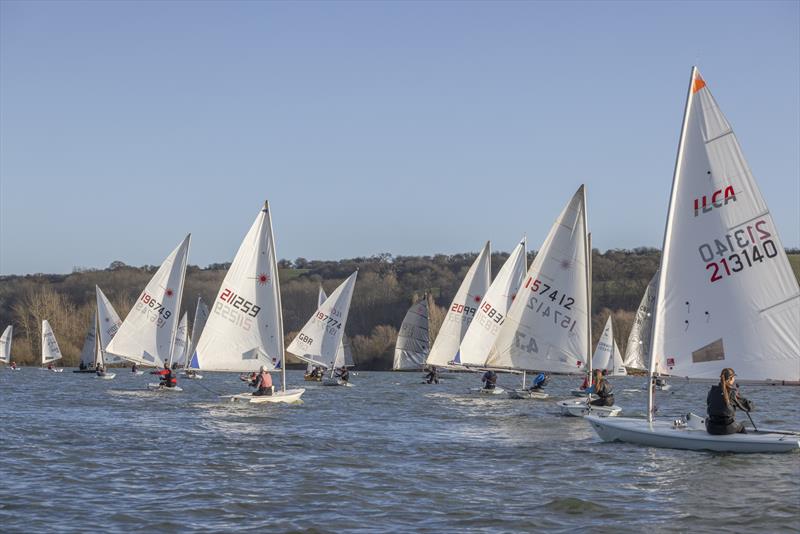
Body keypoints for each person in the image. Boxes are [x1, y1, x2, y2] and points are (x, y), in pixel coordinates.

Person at [706, 367, 753, 435]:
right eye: (734, 377)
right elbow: (749, 407)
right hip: (727, 429)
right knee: (741, 426)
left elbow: (710, 404)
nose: (734, 379)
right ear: (731, 378)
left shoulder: (711, 391)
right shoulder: (733, 392)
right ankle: (745, 443)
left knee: (707, 420)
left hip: (711, 428)